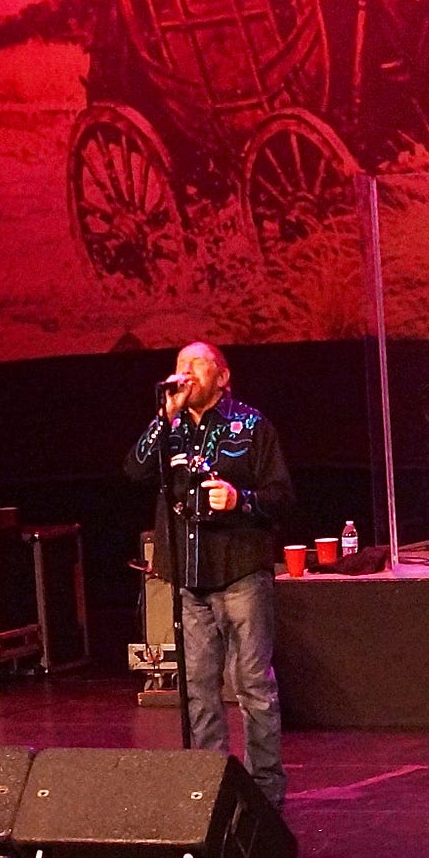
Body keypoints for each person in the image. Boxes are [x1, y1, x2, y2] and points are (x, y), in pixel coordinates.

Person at [124, 342, 294, 809]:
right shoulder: (170, 431)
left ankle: (265, 796)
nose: (185, 370)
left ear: (222, 376)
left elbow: (281, 495)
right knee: (198, 690)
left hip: (239, 571)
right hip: (188, 577)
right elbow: (134, 470)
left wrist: (241, 499)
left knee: (253, 687)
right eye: (179, 364)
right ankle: (212, 793)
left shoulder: (252, 425)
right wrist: (165, 416)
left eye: (196, 363)